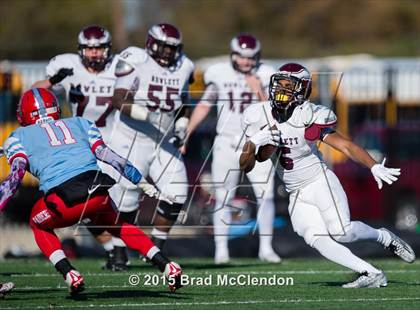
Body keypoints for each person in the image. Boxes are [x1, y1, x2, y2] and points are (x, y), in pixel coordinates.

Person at [239, 62, 415, 288]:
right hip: (295, 191)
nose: (281, 91)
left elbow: (345, 146)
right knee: (315, 238)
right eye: (279, 85)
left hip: (318, 181)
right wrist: (255, 143)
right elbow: (248, 164)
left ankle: (383, 236)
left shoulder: (308, 117)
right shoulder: (258, 115)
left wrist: (373, 166)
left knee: (342, 232)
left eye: (288, 86)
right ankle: (370, 272)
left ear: (302, 90)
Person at [0, 88, 182, 295]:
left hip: (63, 200)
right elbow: (109, 156)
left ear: (24, 113)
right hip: (98, 192)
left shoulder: (18, 137)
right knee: (119, 226)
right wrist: (140, 182)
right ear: (55, 109)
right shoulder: (81, 123)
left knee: (37, 222)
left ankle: (69, 273)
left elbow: (15, 178)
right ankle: (167, 265)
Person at [32, 25, 129, 270]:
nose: (95, 53)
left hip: (115, 139)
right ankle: (115, 250)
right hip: (81, 143)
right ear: (81, 49)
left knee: (121, 200)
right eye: (89, 48)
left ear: (107, 49)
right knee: (85, 202)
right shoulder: (68, 67)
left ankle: (123, 248)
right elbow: (31, 96)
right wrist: (54, 80)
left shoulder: (121, 67)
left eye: (99, 48)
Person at [185, 34, 280, 264]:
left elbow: (274, 112)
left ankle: (266, 248)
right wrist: (187, 132)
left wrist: (258, 90)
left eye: (250, 57)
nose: (246, 62)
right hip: (226, 142)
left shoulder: (267, 74)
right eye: (241, 56)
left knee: (266, 196)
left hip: (257, 142)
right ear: (232, 54)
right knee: (223, 197)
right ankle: (221, 250)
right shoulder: (219, 73)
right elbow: (205, 104)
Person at [109, 23, 194, 255]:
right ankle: (118, 251)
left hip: (163, 141)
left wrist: (182, 125)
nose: (168, 52)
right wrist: (149, 116)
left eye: (172, 48)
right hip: (132, 138)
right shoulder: (135, 59)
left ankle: (155, 249)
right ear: (150, 43)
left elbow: (184, 102)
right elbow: (118, 100)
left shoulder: (185, 65)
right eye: (163, 47)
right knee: (127, 198)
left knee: (177, 193)